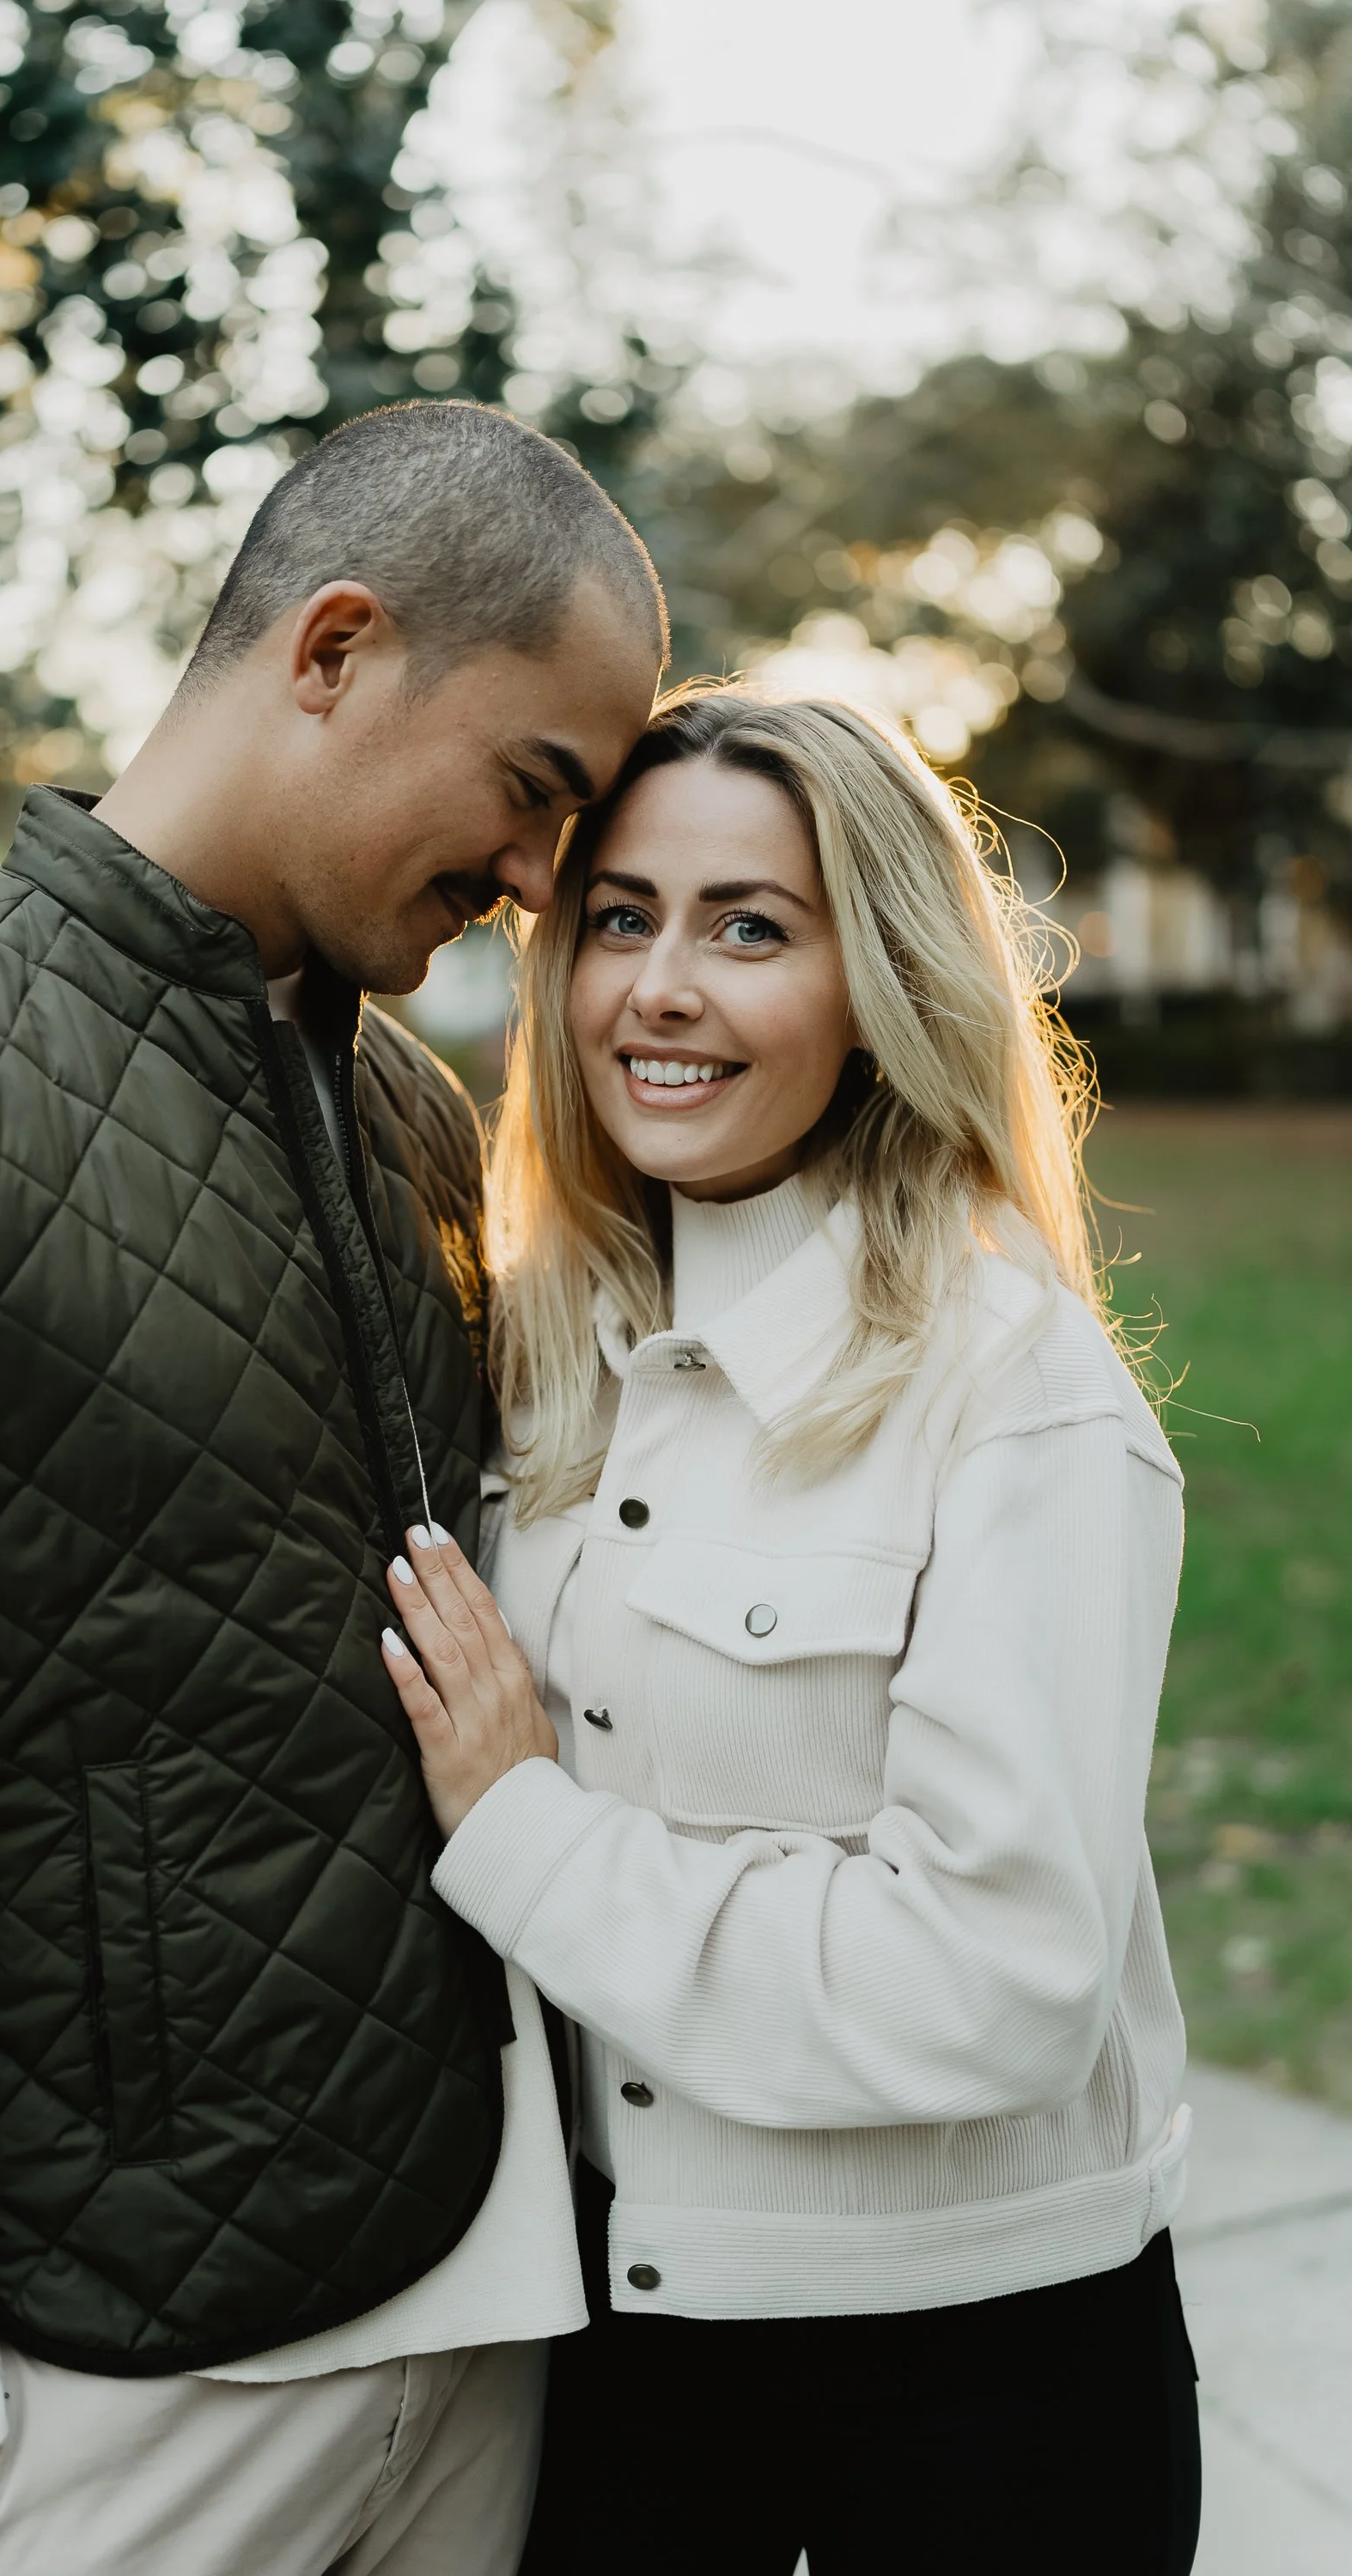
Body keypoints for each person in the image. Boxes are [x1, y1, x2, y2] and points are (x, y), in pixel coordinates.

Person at [0, 400, 665, 2576]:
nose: (538, 886)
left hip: (480, 2328)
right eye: (531, 791)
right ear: (336, 650)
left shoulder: (405, 1106)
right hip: (118, 2397)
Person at [378, 686, 1202, 2576]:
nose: (661, 986)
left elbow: (996, 1973)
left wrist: (528, 1840)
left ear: (880, 983)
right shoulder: (541, 1359)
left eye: (751, 926)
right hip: (620, 2355)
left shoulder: (1016, 1393)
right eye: (620, 918)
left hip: (979, 2391)